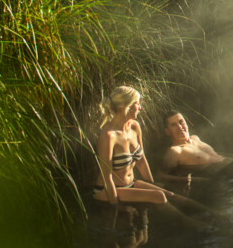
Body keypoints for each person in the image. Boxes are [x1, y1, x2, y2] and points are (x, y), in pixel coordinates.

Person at [92, 87, 215, 225]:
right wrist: (115, 208)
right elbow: (106, 176)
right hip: (108, 189)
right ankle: (193, 224)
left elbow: (141, 161)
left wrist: (151, 184)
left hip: (131, 184)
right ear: (125, 106)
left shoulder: (134, 127)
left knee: (170, 194)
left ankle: (215, 214)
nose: (140, 107)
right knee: (159, 196)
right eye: (137, 103)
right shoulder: (109, 136)